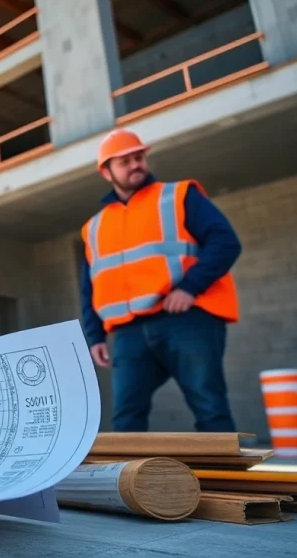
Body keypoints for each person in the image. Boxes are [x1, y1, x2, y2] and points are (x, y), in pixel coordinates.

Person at [80, 128, 242, 433]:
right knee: (126, 418)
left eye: (139, 157)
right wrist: (95, 336)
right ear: (106, 172)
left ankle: (222, 467)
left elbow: (225, 242)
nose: (135, 165)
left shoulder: (178, 196)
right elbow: (90, 285)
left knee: (210, 407)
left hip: (186, 319)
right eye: (124, 162)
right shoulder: (94, 227)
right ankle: (130, 469)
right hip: (129, 333)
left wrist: (189, 287)